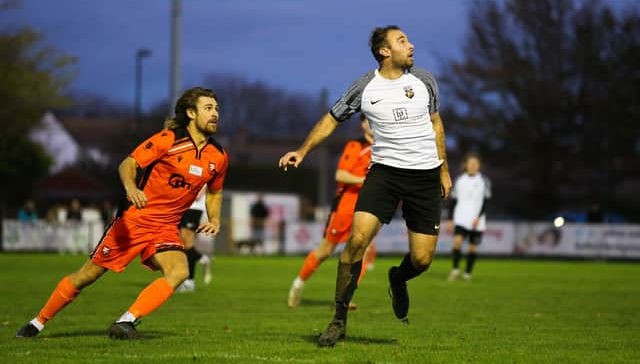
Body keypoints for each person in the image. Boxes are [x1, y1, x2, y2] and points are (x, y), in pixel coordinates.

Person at [278, 25, 451, 347]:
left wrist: (443, 170)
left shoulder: (425, 81)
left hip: (425, 176)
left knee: (423, 260)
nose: (411, 45)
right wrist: (302, 151)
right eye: (402, 41)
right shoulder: (364, 87)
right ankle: (338, 320)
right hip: (384, 174)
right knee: (356, 241)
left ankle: (397, 279)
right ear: (384, 51)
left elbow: (436, 124)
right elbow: (331, 119)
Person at [15, 87, 228, 340]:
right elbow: (128, 164)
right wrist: (131, 187)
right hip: (134, 220)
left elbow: (215, 192)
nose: (215, 114)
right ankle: (37, 322)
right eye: (208, 108)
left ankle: (126, 322)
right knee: (86, 276)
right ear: (191, 113)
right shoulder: (167, 140)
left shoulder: (219, 156)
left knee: (179, 271)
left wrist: (214, 218)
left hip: (166, 227)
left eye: (216, 109)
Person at [287, 114, 376, 308]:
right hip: (345, 206)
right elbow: (341, 174)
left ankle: (345, 296)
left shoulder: (384, 148)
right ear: (362, 125)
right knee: (325, 250)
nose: (373, 123)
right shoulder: (356, 146)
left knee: (364, 250)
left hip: (367, 207)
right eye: (369, 120)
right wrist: (365, 181)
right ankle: (298, 284)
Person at [447, 153, 491, 281]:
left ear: (479, 166)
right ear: (466, 165)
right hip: (460, 217)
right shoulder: (459, 180)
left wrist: (479, 217)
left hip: (477, 220)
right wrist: (450, 219)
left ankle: (467, 273)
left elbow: (486, 201)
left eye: (475, 164)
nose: (473, 166)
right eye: (470, 164)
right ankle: (455, 270)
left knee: (472, 247)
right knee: (457, 242)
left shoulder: (484, 181)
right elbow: (453, 201)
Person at [175, 185, 213, 292]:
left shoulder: (205, 171)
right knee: (183, 245)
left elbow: (198, 196)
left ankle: (200, 260)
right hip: (184, 207)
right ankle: (189, 280)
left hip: (194, 208)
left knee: (186, 244)